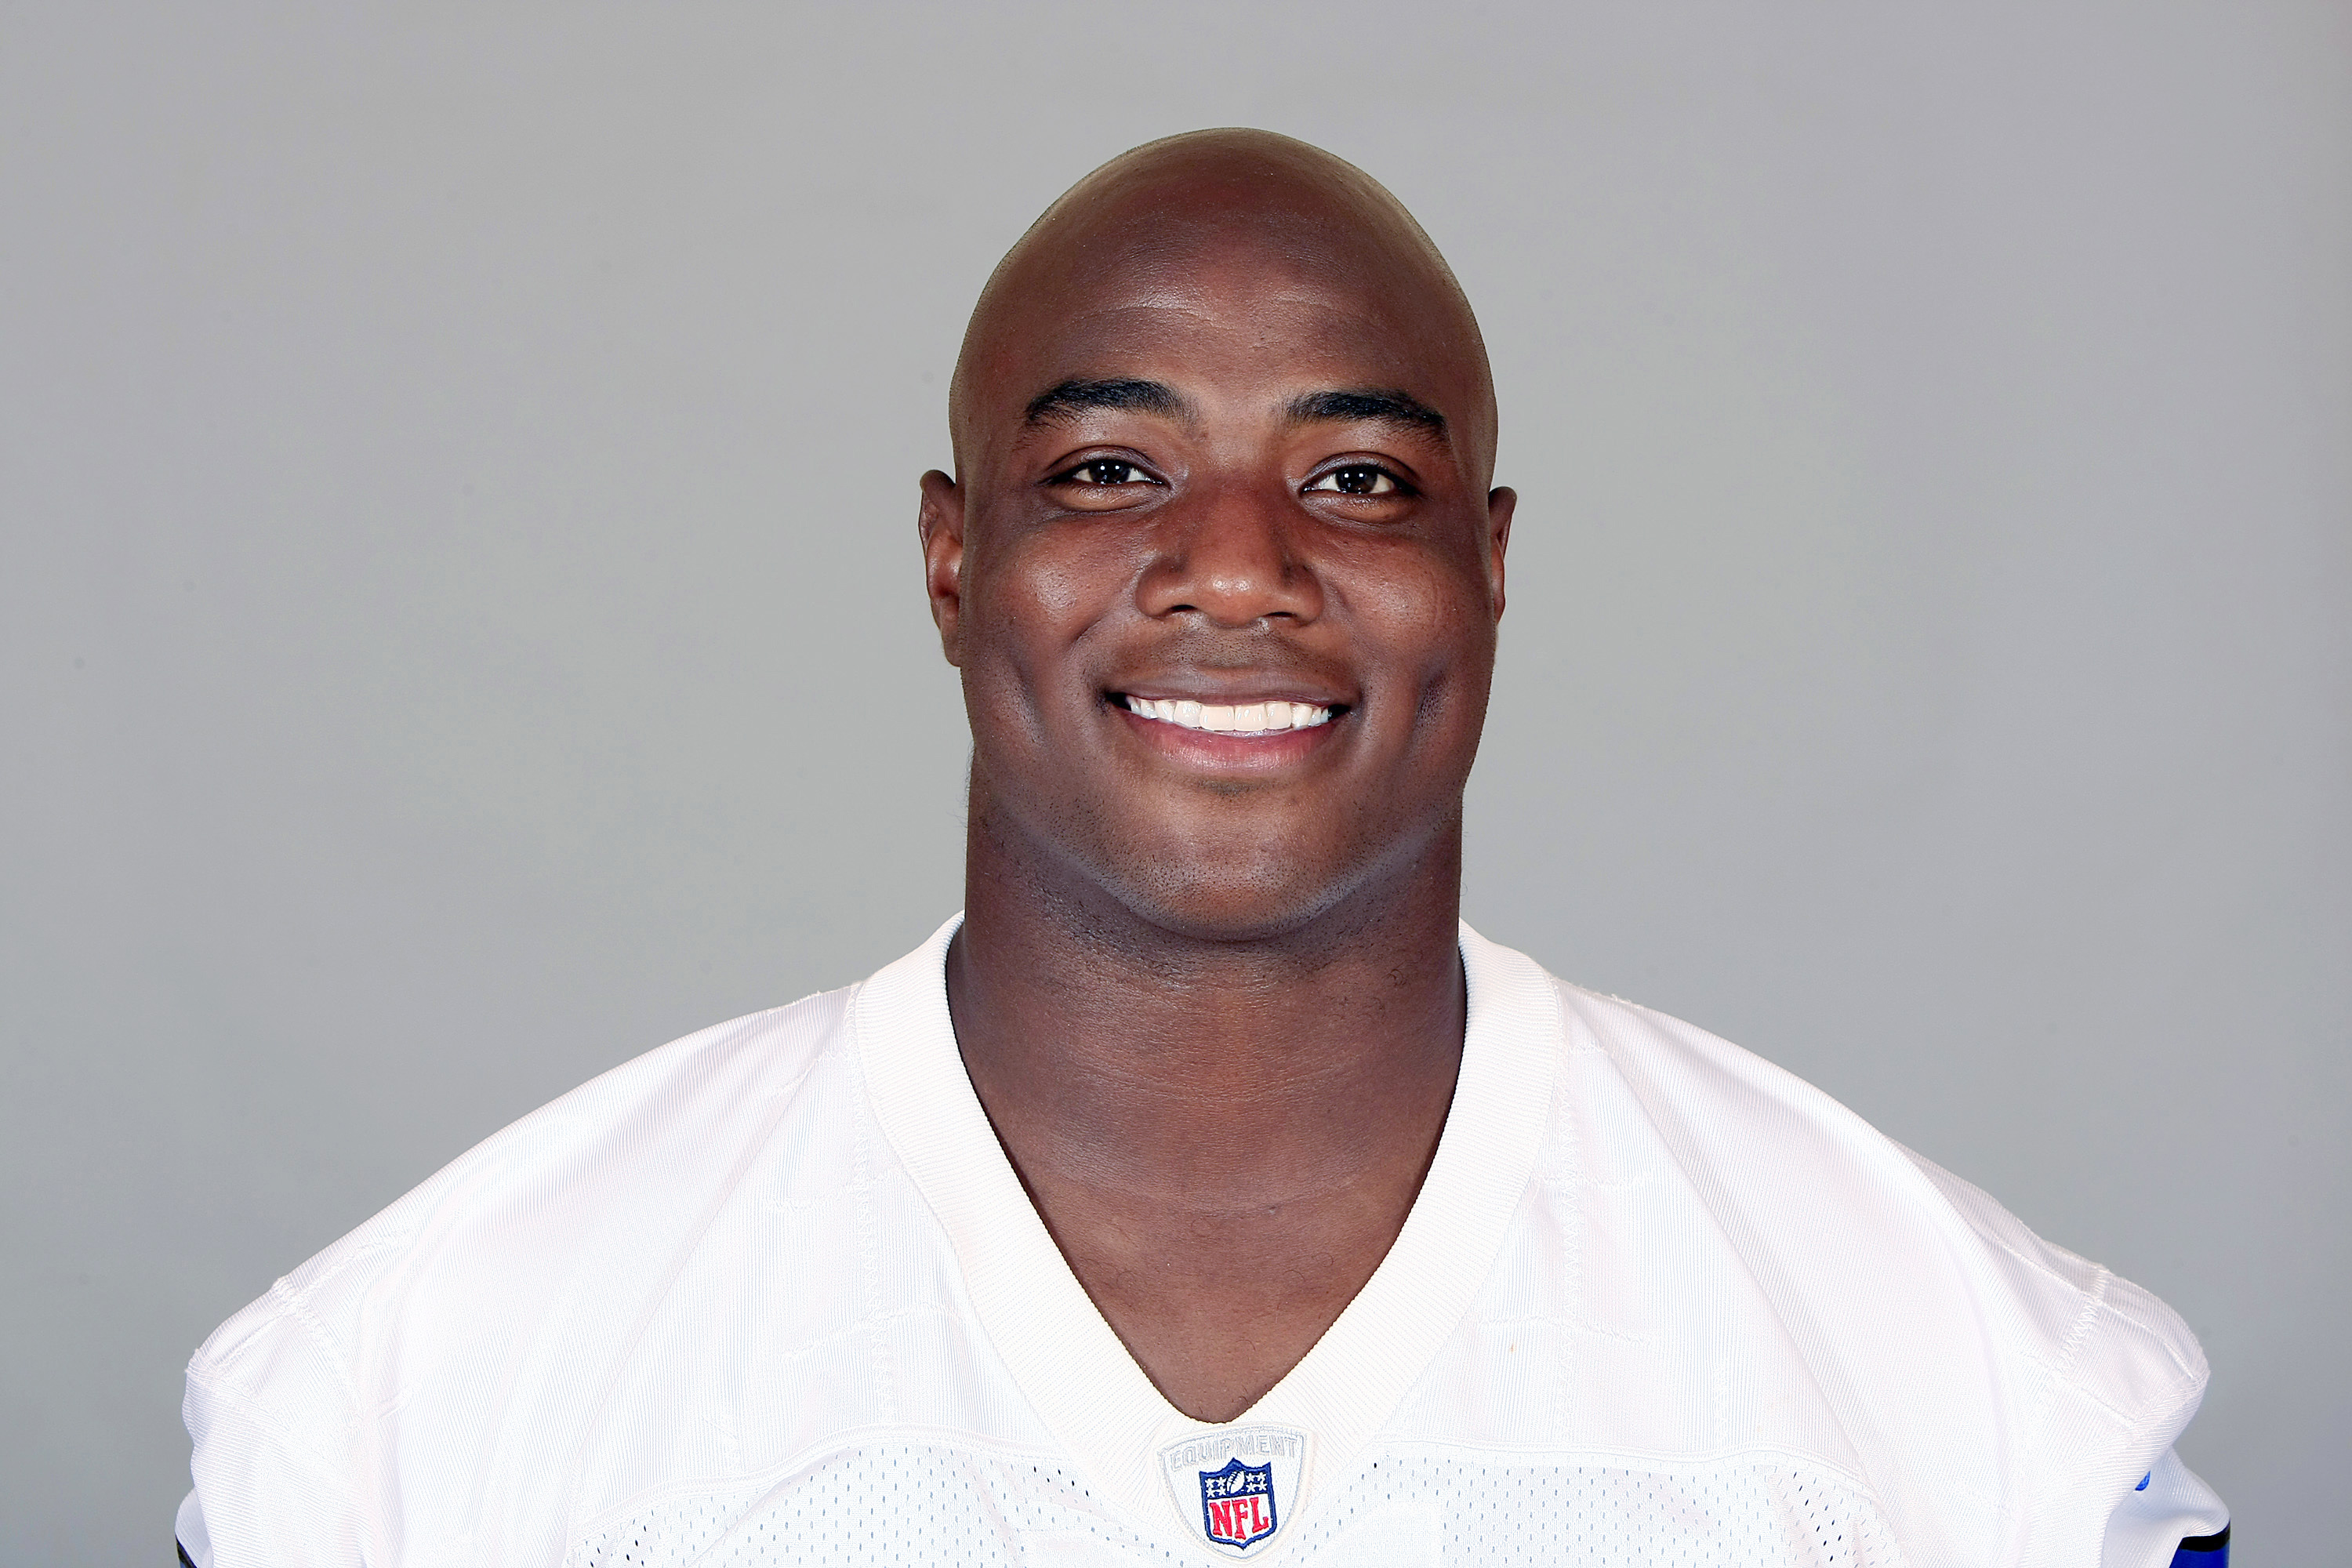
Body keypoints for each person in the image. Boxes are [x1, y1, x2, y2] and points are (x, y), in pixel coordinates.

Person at [176, 129, 2230, 1568]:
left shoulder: (1982, 1389)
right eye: (1107, 467)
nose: (1237, 569)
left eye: (1358, 477)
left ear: (1488, 562)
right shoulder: (412, 1388)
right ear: (952, 559)